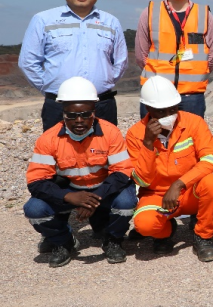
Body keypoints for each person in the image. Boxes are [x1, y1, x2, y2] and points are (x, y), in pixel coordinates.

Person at [23, 77, 137, 267]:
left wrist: (94, 199)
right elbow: (36, 182)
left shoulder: (110, 133)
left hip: (104, 189)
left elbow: (122, 172)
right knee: (34, 210)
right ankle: (64, 241)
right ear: (63, 113)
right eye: (71, 115)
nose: (78, 120)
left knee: (126, 201)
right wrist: (69, 196)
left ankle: (112, 240)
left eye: (85, 114)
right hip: (70, 191)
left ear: (94, 111)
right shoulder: (48, 139)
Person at [19, 0, 128, 131]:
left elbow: (120, 62)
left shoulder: (111, 22)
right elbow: (28, 62)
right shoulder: (43, 20)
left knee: (104, 155)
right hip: (58, 106)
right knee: (58, 155)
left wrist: (103, 83)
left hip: (102, 105)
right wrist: (50, 88)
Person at [127, 76, 213, 262]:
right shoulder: (135, 134)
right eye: (161, 111)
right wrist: (148, 143)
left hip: (189, 192)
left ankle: (203, 236)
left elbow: (211, 159)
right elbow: (142, 180)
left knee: (212, 182)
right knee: (144, 225)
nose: (169, 115)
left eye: (173, 109)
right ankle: (165, 233)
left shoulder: (194, 122)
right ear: (148, 109)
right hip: (156, 196)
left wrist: (179, 184)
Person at [136, 0, 213, 118]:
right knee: (154, 142)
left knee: (190, 142)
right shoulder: (150, 13)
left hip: (192, 96)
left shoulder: (205, 15)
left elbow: (212, 58)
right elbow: (141, 56)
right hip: (156, 93)